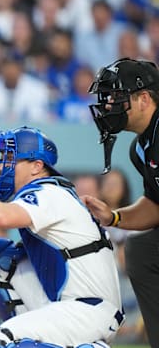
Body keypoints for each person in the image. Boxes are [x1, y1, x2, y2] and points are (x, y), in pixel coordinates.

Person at [0, 126, 122, 347]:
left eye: (10, 159)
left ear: (37, 166)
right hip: (67, 303)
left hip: (88, 311)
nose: (0, 166)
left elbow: (1, 217)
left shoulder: (49, 192)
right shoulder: (47, 192)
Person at [85, 57, 159, 347]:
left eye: (117, 97)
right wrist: (114, 217)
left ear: (143, 99)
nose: (108, 106)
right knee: (142, 250)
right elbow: (155, 205)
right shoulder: (140, 147)